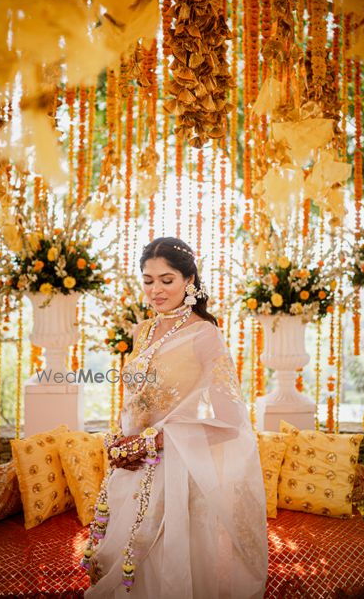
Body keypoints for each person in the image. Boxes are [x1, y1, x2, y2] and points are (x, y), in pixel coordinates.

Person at [83, 237, 268, 598]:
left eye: (166, 280)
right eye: (148, 280)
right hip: (133, 468)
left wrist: (155, 440)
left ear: (189, 280)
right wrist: (123, 441)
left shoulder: (205, 335)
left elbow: (231, 421)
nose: (156, 290)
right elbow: (135, 401)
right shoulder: (142, 331)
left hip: (179, 472)